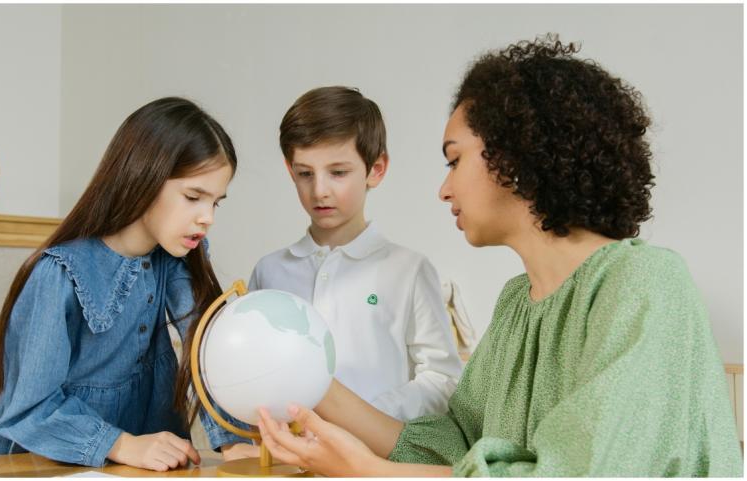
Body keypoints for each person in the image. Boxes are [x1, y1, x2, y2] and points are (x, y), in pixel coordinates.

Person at [256, 35, 744, 477]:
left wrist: (366, 470)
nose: (444, 189)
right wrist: (317, 391)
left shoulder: (646, 283)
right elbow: (456, 445)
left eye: (454, 159)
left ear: (515, 156)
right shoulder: (517, 303)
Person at [0, 97, 253, 471]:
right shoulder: (58, 274)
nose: (206, 217)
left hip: (143, 467)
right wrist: (122, 444)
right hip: (53, 465)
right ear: (143, 177)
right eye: (193, 197)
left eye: (215, 203)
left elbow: (205, 353)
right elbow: (28, 409)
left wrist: (234, 441)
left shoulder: (175, 261)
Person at [248, 86, 463, 422]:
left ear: (375, 170)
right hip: (287, 462)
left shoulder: (408, 270)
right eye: (305, 173)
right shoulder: (270, 271)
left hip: (373, 463)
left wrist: (366, 417)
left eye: (338, 173)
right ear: (290, 171)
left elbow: (443, 379)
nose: (320, 190)